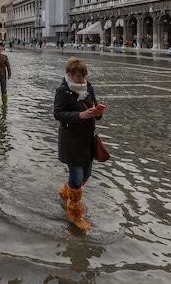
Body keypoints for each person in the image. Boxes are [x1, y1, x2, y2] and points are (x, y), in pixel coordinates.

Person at [54, 57, 105, 230]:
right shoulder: (63, 90)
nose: (82, 80)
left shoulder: (88, 87)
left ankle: (65, 191)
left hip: (87, 139)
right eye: (78, 77)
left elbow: (94, 107)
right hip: (71, 141)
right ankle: (74, 214)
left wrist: (98, 112)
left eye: (83, 76)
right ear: (69, 74)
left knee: (86, 175)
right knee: (76, 177)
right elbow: (58, 114)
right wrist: (79, 116)